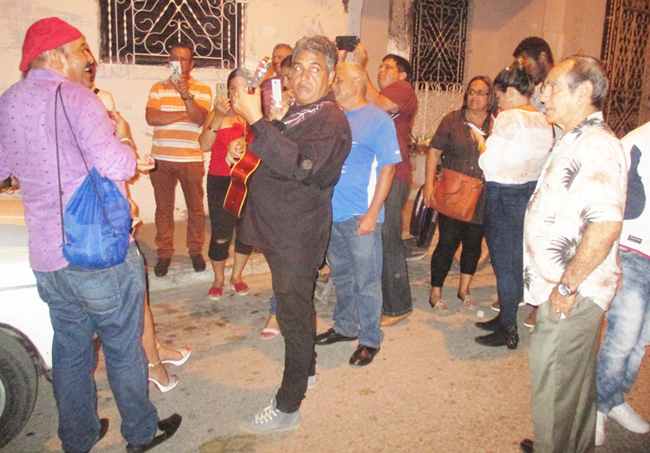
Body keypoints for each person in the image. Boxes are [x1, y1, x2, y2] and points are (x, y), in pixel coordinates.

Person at [0, 17, 181, 452]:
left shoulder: (9, 101)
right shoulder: (79, 100)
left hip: (46, 255)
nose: (89, 59)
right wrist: (122, 138)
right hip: (97, 253)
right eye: (82, 49)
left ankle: (78, 437)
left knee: (70, 351)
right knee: (122, 346)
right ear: (58, 55)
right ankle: (140, 433)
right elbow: (118, 166)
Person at [227, 35, 351, 434]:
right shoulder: (300, 111)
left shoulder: (331, 118)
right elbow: (275, 150)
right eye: (297, 67)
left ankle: (287, 407)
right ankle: (308, 369)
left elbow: (300, 165)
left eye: (315, 68)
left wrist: (257, 120)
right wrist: (244, 151)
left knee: (293, 318)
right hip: (280, 230)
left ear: (331, 75)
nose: (302, 76)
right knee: (293, 305)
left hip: (297, 235)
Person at [519, 56, 627, 453]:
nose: (542, 95)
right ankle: (565, 443)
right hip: (567, 287)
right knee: (571, 387)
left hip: (571, 292)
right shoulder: (574, 137)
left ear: (583, 92)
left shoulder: (597, 145)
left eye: (551, 86)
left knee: (553, 385)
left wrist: (566, 286)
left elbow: (605, 225)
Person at [83, 56, 191, 392]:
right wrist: (127, 138)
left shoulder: (81, 101)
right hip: (103, 226)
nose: (112, 116)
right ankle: (151, 368)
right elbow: (116, 161)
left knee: (136, 296)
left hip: (101, 218)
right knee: (128, 302)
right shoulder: (86, 106)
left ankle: (155, 350)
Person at [315, 62, 400, 366]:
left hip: (361, 215)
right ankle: (345, 327)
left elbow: (388, 170)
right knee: (341, 276)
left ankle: (369, 339)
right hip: (332, 215)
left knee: (366, 280)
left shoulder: (378, 120)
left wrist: (372, 213)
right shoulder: (333, 117)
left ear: (356, 83)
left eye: (338, 80)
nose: (333, 85)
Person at [474, 60, 553, 349]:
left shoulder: (508, 118)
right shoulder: (544, 119)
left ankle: (508, 329)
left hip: (503, 194)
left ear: (509, 92)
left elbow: (489, 162)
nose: (498, 101)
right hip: (528, 194)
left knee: (503, 264)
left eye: (498, 94)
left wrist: (482, 143)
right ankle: (506, 316)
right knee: (516, 261)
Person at [351, 45, 418, 327]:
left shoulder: (403, 89)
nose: (381, 70)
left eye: (387, 67)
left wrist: (361, 66)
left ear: (402, 74)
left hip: (395, 173)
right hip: (376, 176)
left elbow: (379, 103)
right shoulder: (375, 96)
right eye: (380, 66)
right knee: (378, 238)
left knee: (389, 238)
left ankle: (398, 306)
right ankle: (379, 300)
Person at [595, 121, 650, 446]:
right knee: (623, 337)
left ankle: (613, 398)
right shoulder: (637, 141)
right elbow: (614, 201)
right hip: (632, 251)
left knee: (642, 338)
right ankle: (596, 406)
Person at [423, 76, 497, 313]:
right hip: (454, 192)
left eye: (481, 93)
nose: (475, 97)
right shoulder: (453, 120)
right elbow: (434, 152)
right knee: (447, 242)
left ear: (490, 97)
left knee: (473, 244)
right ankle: (436, 291)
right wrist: (428, 185)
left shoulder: (497, 124)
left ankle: (464, 289)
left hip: (483, 194)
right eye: (472, 92)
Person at [145, 42, 212, 277]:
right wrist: (186, 113)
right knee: (163, 209)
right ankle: (164, 253)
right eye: (175, 58)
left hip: (191, 158)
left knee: (195, 209)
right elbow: (152, 117)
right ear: (169, 62)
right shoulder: (158, 87)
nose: (179, 63)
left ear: (191, 64)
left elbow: (199, 119)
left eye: (184, 59)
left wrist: (186, 97)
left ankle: (195, 251)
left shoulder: (203, 89)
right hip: (161, 158)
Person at [511, 37, 557, 328]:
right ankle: (522, 292)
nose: (522, 68)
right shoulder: (535, 89)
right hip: (533, 173)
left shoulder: (556, 86)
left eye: (525, 62)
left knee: (546, 241)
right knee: (525, 237)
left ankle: (542, 304)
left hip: (555, 172)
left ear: (542, 56)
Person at [198, 68, 253, 300]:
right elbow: (204, 145)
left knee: (246, 232)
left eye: (240, 88)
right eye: (232, 88)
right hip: (220, 179)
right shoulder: (216, 113)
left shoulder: (253, 115)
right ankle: (219, 278)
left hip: (249, 178)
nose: (235, 92)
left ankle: (237, 276)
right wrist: (219, 117)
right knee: (221, 233)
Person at [260, 43, 293, 118]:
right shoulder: (264, 84)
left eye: (280, 57)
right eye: (274, 58)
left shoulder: (297, 83)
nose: (276, 61)